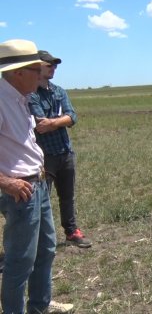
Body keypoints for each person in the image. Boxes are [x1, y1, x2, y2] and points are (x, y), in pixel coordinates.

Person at [0, 39, 74, 314]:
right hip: (20, 189)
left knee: (46, 249)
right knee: (20, 261)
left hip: (37, 184)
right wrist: (5, 182)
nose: (42, 74)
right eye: (37, 69)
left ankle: (40, 306)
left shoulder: (21, 99)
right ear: (19, 72)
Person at [28, 50, 92, 248]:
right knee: (41, 200)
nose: (54, 68)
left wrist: (55, 122)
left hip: (65, 152)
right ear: (37, 67)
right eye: (50, 65)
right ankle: (39, 240)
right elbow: (40, 124)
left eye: (54, 65)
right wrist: (61, 120)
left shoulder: (59, 91)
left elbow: (73, 116)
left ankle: (72, 232)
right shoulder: (30, 94)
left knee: (67, 196)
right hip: (44, 156)